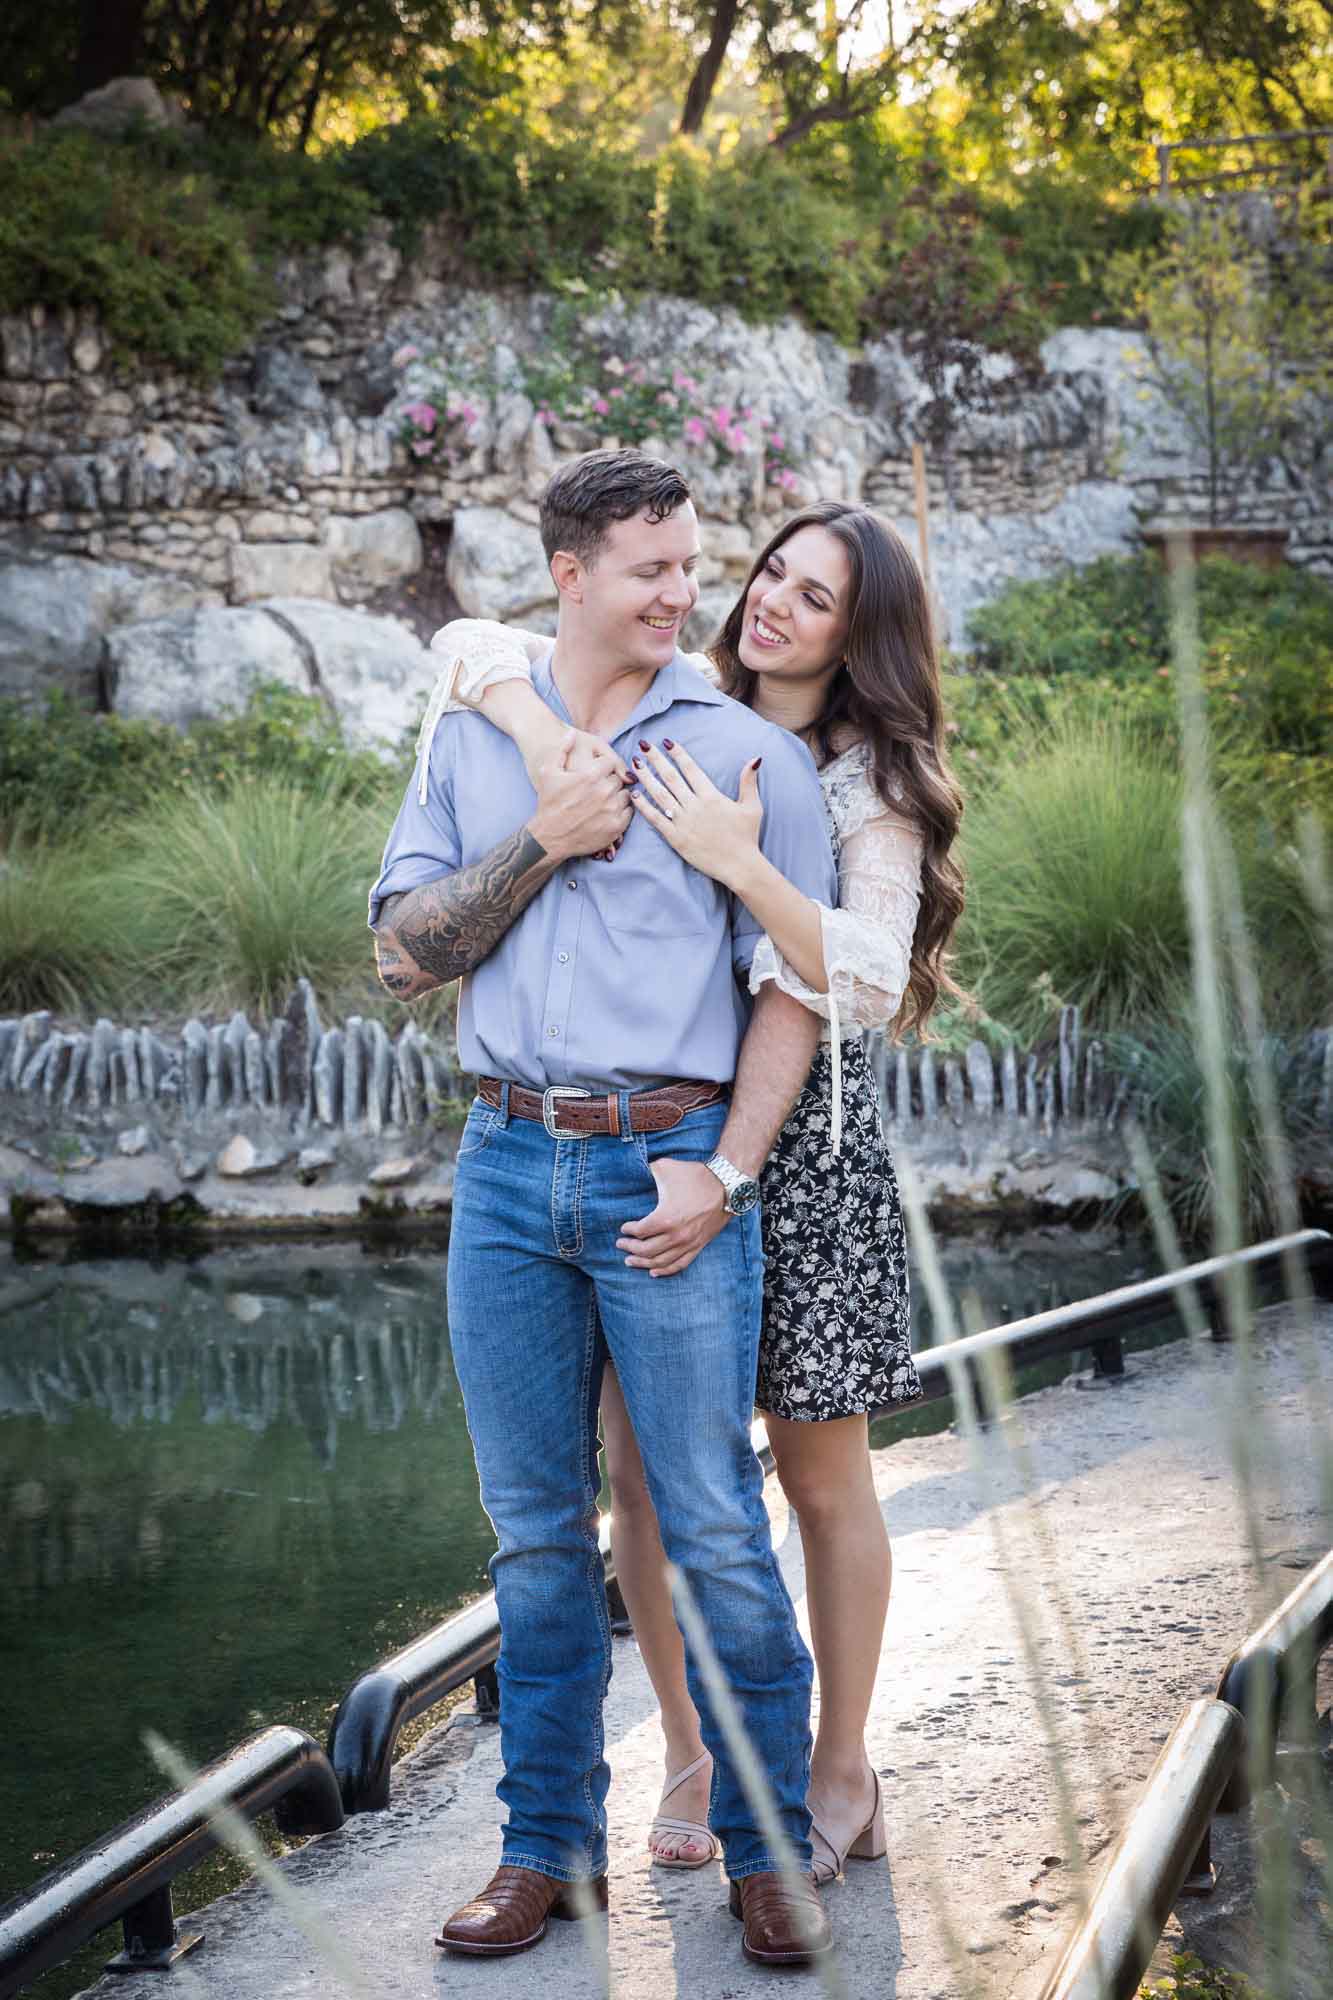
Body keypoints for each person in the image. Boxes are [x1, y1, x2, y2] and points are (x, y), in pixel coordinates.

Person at [424, 498, 965, 1888]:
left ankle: (839, 1764)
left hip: (798, 1153)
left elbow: (862, 978)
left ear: (863, 636)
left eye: (816, 596)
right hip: (649, 1136)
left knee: (811, 1473)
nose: (772, 602)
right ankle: (687, 1745)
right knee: (637, 1483)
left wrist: (738, 866)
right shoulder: (690, 707)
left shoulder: (864, 781)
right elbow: (473, 639)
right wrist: (545, 738)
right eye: (770, 572)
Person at [370, 451, 842, 1968]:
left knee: (710, 1520)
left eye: (690, 564)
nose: (685, 593)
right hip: (504, 1168)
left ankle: (769, 1855)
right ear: (566, 573)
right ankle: (545, 1852)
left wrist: (730, 1171)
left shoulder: (739, 754)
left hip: (670, 1168)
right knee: (531, 1542)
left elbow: (802, 989)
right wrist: (543, 839)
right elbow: (400, 952)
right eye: (650, 569)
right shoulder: (472, 732)